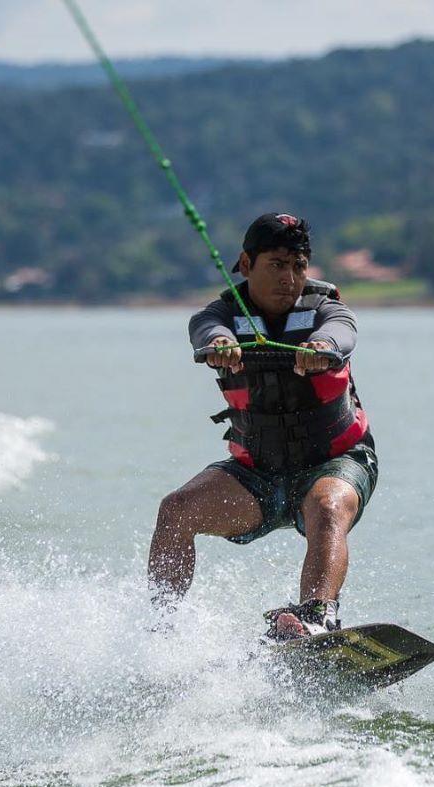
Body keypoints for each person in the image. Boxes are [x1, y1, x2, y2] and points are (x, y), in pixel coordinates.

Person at [148, 212, 378, 640]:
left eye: (298, 265)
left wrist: (323, 347)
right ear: (247, 264)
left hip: (336, 462)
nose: (289, 277)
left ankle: (316, 618)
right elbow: (204, 328)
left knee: (326, 509)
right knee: (175, 510)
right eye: (276, 264)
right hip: (258, 474)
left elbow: (343, 333)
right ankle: (162, 636)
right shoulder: (218, 316)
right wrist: (218, 344)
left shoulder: (328, 311)